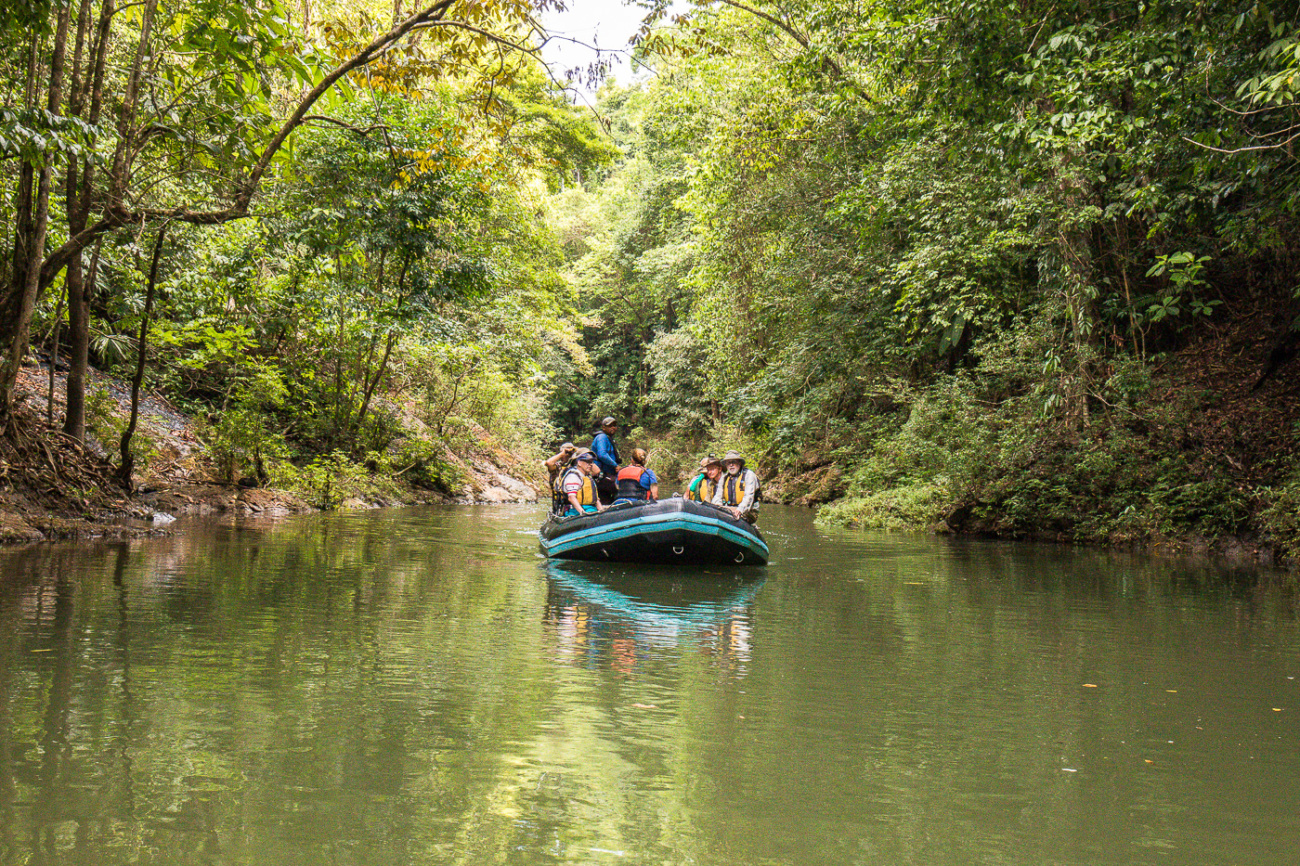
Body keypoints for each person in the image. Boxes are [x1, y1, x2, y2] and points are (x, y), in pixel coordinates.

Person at [712, 449, 760, 524]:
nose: (731, 465)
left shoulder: (749, 475)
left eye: (733, 462)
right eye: (728, 463)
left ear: (739, 463)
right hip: (729, 509)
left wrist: (740, 510)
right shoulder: (724, 478)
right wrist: (716, 507)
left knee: (736, 515)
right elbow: (718, 496)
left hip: (748, 511)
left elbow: (749, 497)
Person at [560, 450, 605, 517]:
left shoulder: (587, 477)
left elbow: (595, 499)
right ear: (579, 463)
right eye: (587, 462)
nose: (590, 465)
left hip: (590, 509)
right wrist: (582, 513)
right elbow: (571, 498)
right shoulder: (573, 476)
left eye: (591, 462)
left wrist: (602, 511)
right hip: (575, 511)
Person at [591, 415, 621, 505]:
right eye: (610, 426)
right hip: (602, 476)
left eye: (615, 425)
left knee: (605, 499)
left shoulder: (608, 438)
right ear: (603, 427)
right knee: (620, 489)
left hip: (606, 476)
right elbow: (602, 454)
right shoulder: (602, 437)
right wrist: (615, 465)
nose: (613, 427)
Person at [543, 442, 576, 513]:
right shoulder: (557, 467)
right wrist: (562, 454)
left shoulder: (578, 466)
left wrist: (576, 452)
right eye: (565, 453)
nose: (567, 455)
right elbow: (549, 463)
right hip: (560, 504)